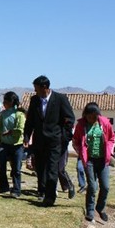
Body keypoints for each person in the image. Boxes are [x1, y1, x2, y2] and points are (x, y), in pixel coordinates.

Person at [23, 75, 75, 206]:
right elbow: (30, 121)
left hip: (55, 141)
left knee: (52, 168)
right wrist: (27, 136)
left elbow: (70, 119)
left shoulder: (60, 99)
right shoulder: (34, 100)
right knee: (40, 168)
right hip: (39, 140)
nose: (35, 92)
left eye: (36, 89)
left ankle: (50, 197)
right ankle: (42, 192)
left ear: (44, 87)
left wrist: (64, 138)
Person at [72, 102, 115, 222]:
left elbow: (112, 138)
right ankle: (90, 211)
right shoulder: (81, 125)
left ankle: (100, 208)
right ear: (85, 115)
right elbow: (75, 140)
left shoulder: (105, 123)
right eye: (89, 117)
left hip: (103, 160)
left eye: (94, 117)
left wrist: (109, 151)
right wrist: (81, 153)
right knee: (92, 186)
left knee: (105, 187)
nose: (91, 119)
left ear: (98, 115)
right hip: (89, 160)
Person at [0, 91, 26, 198]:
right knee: (1, 165)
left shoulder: (19, 114)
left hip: (17, 145)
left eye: (6, 101)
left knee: (16, 168)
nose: (4, 103)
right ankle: (3, 187)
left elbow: (20, 129)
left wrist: (10, 132)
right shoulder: (3, 114)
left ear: (11, 102)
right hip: (4, 144)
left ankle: (16, 190)